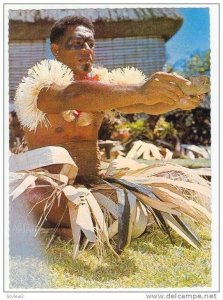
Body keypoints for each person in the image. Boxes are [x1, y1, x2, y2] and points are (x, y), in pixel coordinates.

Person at [11, 16, 211, 258]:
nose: (87, 50)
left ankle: (79, 224)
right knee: (34, 196)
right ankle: (96, 222)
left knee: (177, 178)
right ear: (56, 49)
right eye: (77, 44)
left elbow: (140, 102)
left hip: (94, 185)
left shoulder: (105, 88)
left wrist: (175, 100)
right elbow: (74, 95)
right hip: (52, 187)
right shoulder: (42, 88)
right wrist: (141, 90)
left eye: (90, 44)